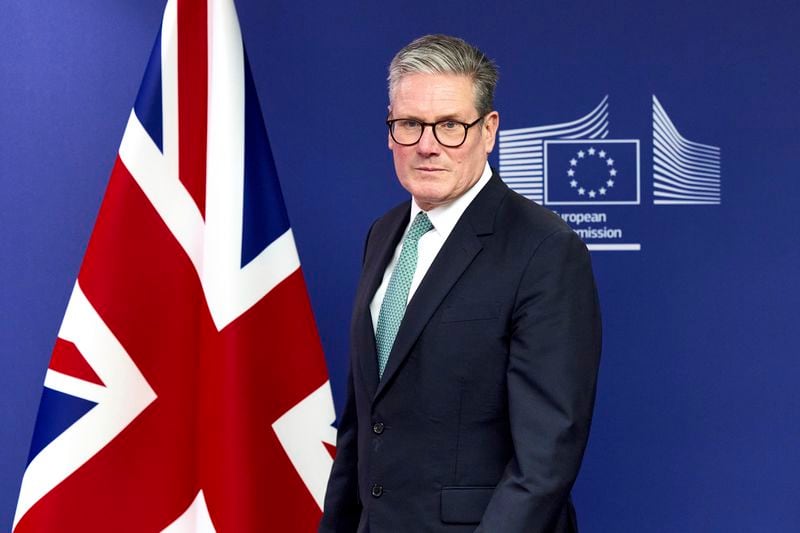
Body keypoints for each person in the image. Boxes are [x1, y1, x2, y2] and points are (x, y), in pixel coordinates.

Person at [320, 34, 602, 533]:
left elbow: (546, 460)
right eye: (409, 124)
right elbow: (364, 421)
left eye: (450, 125)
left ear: (488, 130)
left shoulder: (545, 249)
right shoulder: (383, 234)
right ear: (389, 129)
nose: (427, 146)